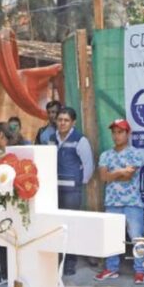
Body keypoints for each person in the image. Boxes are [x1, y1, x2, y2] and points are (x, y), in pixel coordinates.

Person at [95, 119, 144, 285]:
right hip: (112, 202)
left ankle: (140, 270)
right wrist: (120, 171)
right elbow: (104, 177)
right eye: (114, 132)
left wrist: (114, 173)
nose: (116, 136)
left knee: (137, 238)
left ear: (127, 134)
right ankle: (112, 268)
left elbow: (129, 176)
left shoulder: (134, 153)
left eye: (120, 132)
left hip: (132, 202)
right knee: (111, 237)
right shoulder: (105, 155)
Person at [50, 107, 95, 276]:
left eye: (66, 120)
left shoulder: (80, 140)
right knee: (55, 226)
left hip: (72, 191)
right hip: (53, 191)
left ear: (73, 122)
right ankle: (56, 260)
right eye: (60, 119)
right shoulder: (50, 138)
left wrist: (79, 183)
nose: (62, 123)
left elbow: (88, 165)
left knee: (70, 227)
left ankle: (70, 263)